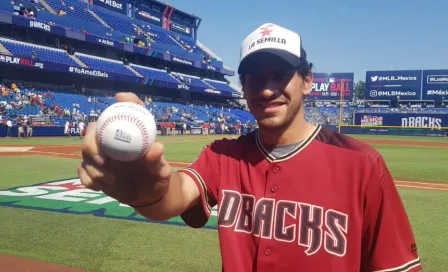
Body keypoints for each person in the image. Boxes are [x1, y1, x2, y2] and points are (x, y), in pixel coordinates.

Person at [78, 23, 421, 272]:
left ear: (308, 80)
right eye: (255, 78)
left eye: (281, 74)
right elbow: (173, 196)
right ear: (243, 85)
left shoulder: (361, 164)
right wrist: (144, 194)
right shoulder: (222, 155)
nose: (267, 89)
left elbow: (394, 267)